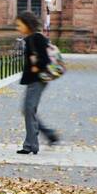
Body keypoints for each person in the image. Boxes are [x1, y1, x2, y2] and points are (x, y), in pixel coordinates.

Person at [15, 11, 59, 155]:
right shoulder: (31, 38)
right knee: (28, 109)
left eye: (19, 25)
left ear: (27, 25)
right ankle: (47, 135)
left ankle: (31, 145)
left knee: (28, 109)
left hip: (37, 79)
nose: (18, 28)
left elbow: (44, 60)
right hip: (35, 80)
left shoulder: (36, 38)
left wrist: (35, 66)